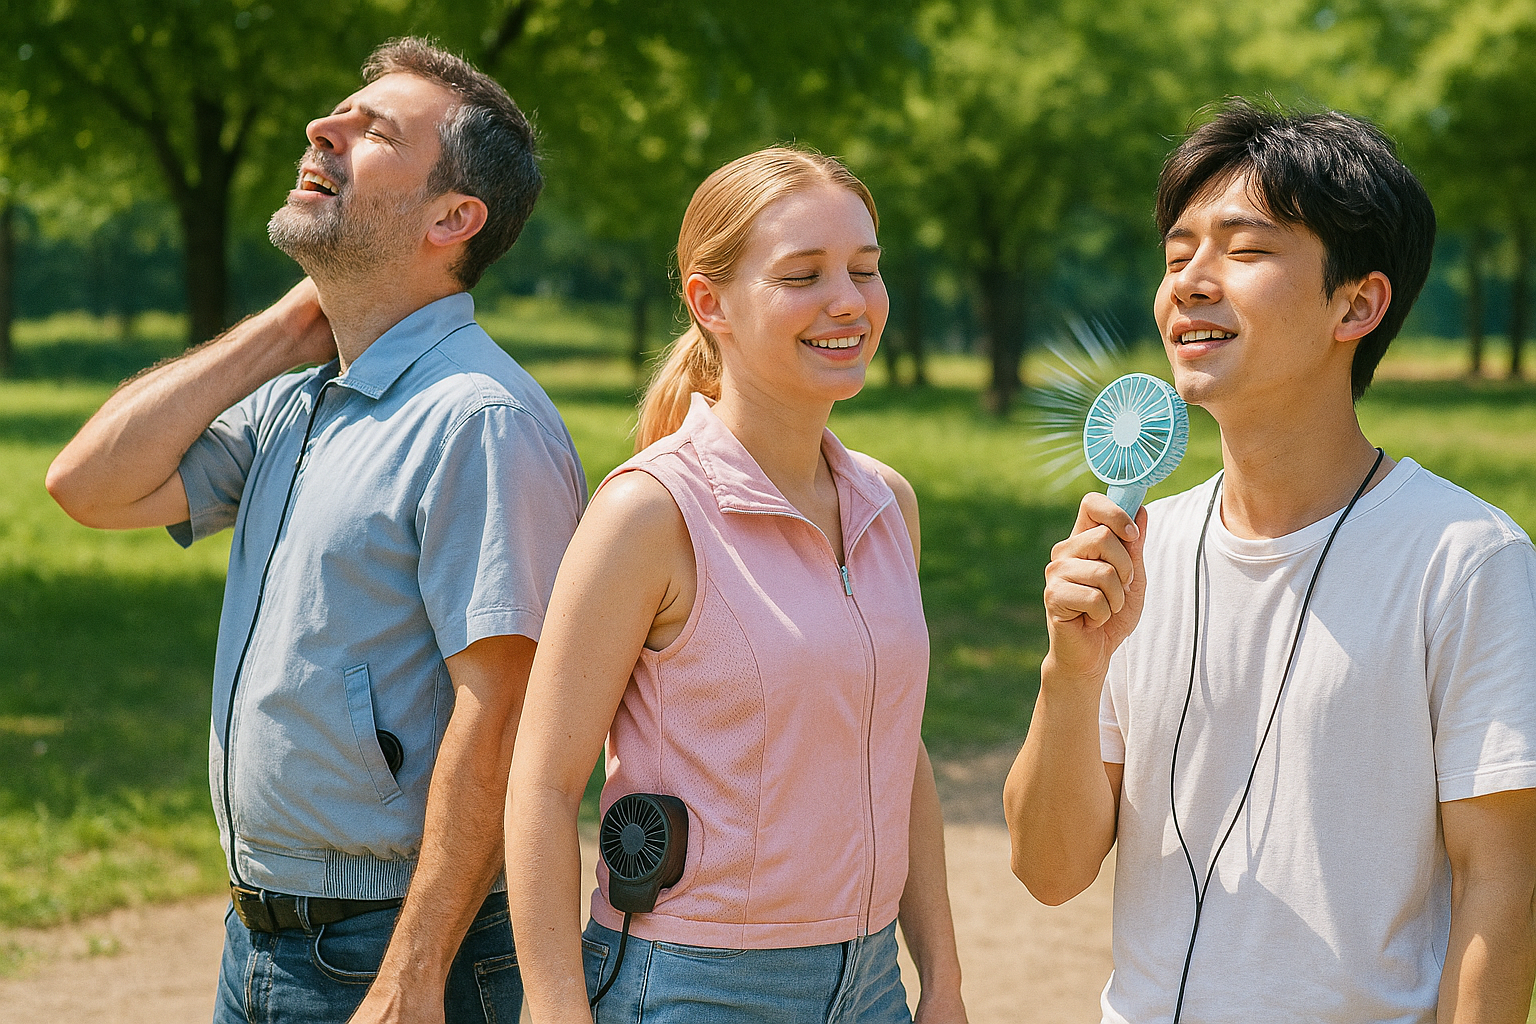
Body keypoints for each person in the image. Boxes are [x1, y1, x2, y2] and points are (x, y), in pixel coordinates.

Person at [45, 38, 586, 1024]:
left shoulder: (478, 420)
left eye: (372, 131)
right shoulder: (299, 399)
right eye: (337, 113)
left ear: (452, 217)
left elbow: (503, 714)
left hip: (395, 949)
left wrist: (415, 972)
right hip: (256, 938)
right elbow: (88, 484)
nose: (321, 130)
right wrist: (285, 330)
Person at [1003, 99, 1536, 1023]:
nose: (1191, 284)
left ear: (1358, 302)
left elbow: (1502, 885)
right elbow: (1049, 872)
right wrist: (1072, 669)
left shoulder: (1465, 559)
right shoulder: (1142, 551)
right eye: (1176, 258)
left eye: (1244, 252)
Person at [505, 148, 969, 1024]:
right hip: (692, 986)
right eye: (803, 275)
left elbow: (899, 753)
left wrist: (939, 979)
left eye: (865, 271)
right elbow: (540, 782)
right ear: (708, 302)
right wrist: (558, 1007)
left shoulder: (887, 505)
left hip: (871, 986)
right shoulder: (649, 514)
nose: (849, 301)